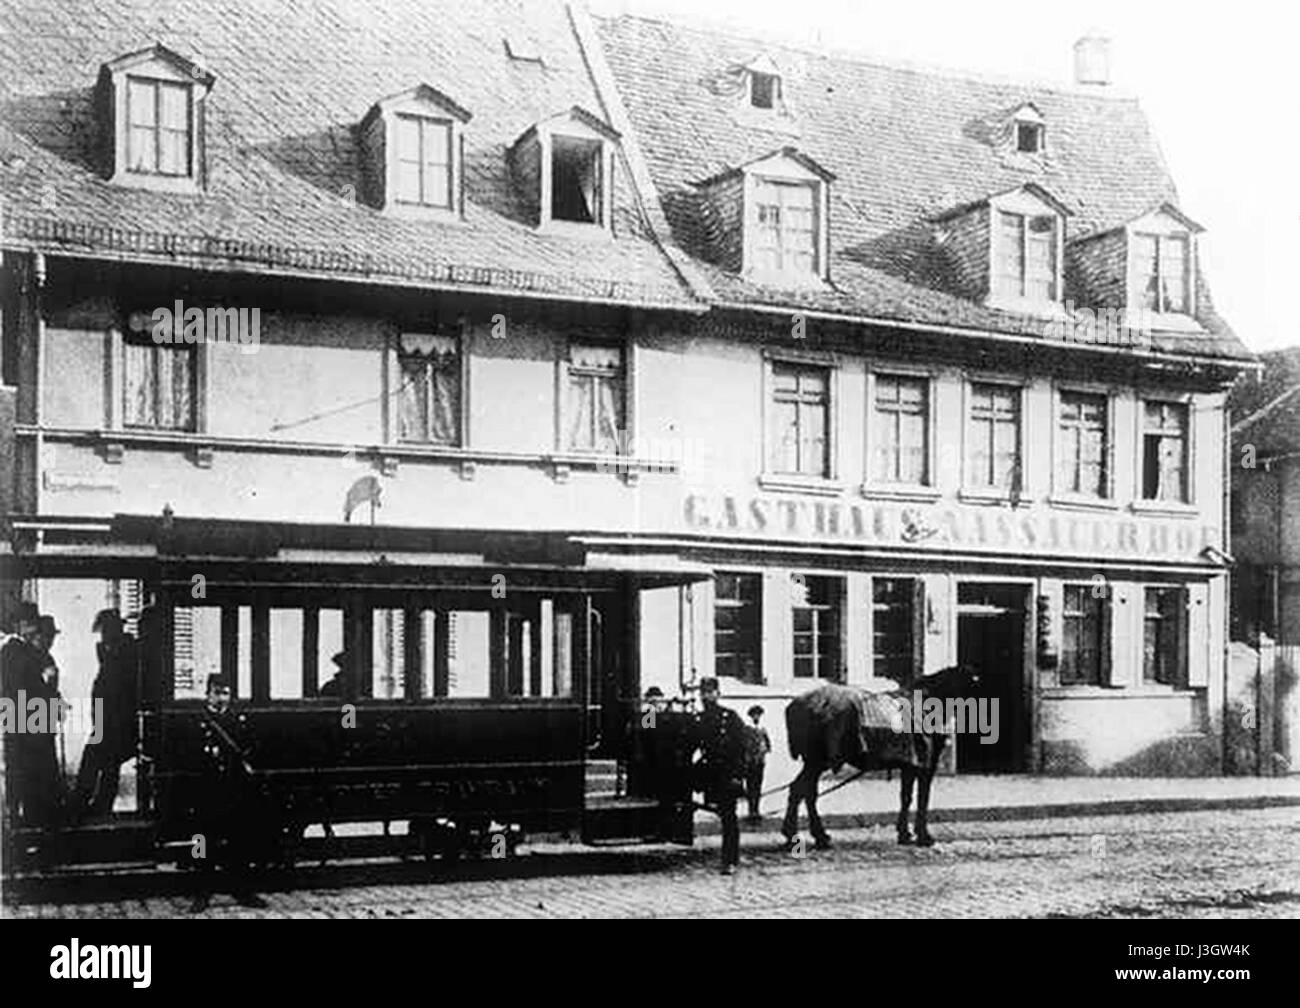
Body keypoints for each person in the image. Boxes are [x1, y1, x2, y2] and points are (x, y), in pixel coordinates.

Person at [188, 674, 267, 912]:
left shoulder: (238, 720)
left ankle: (242, 890)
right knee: (202, 842)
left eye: (225, 693)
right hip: (206, 791)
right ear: (208, 693)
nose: (221, 697)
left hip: (233, 791)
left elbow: (247, 751)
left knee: (240, 840)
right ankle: (201, 892)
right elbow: (190, 757)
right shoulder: (198, 721)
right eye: (217, 692)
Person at [73, 609, 139, 820]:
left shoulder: (124, 651)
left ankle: (84, 804)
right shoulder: (110, 650)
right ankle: (97, 805)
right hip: (105, 719)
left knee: (97, 759)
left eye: (105, 631)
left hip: (117, 720)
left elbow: (119, 687)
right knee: (107, 763)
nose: (102, 636)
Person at [1, 602, 57, 825]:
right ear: (18, 625)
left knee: (30, 769)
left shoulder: (28, 651)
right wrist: (46, 684)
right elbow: (19, 686)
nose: (33, 628)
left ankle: (31, 817)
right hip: (22, 718)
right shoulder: (13, 650)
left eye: (34, 622)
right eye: (28, 623)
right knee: (22, 769)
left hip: (30, 718)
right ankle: (21, 820)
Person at [692, 677, 746, 875]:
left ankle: (730, 860)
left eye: (710, 692)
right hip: (708, 773)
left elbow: (741, 749)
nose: (706, 696)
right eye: (703, 693)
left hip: (726, 773)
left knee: (729, 818)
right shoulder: (698, 718)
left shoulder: (730, 717)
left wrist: (737, 776)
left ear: (718, 693)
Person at [742, 704, 772, 824]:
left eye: (758, 715)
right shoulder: (747, 728)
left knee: (758, 787)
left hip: (759, 761)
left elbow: (768, 744)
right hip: (749, 762)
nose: (756, 717)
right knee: (750, 787)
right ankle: (751, 811)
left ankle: (756, 810)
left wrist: (764, 750)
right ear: (751, 716)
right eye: (754, 715)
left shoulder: (762, 729)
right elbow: (743, 745)